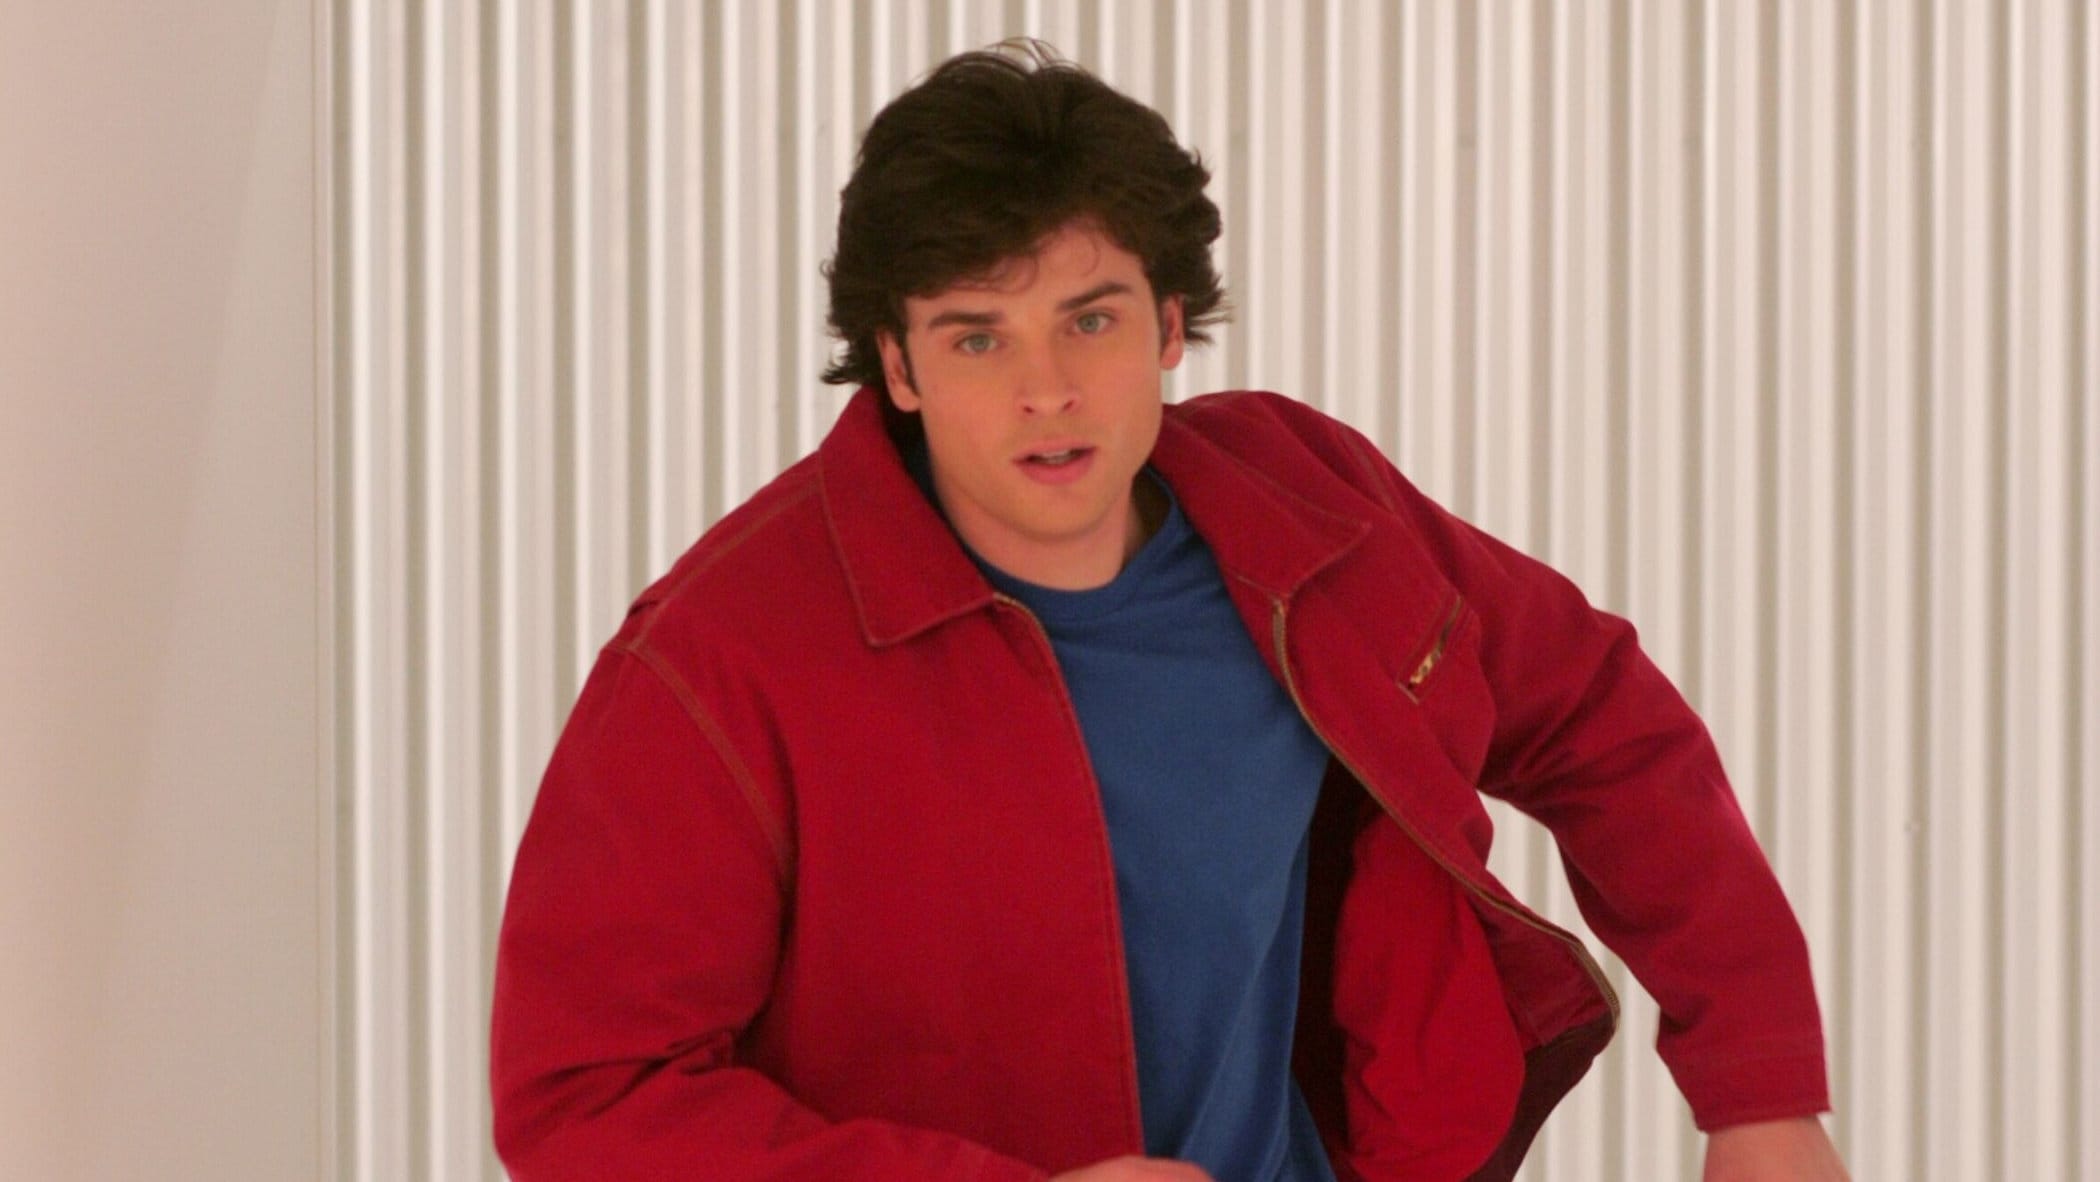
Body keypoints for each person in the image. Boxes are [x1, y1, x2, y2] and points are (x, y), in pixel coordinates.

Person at [490, 42, 1848, 1182]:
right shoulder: (721, 656)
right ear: (896, 363)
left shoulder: (1307, 510)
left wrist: (1761, 1088)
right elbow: (584, 1096)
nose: (1046, 389)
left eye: (1090, 319)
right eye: (977, 337)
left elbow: (1600, 719)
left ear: (1169, 324)